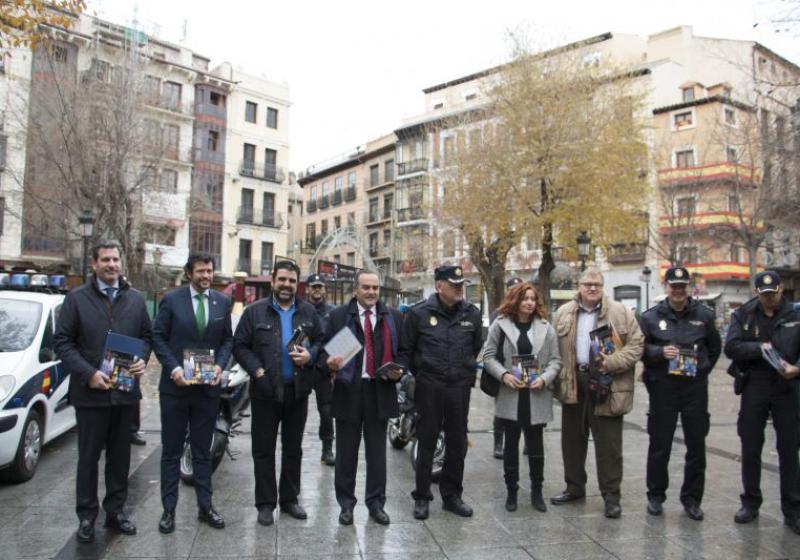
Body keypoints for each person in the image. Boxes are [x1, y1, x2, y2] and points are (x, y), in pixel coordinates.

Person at [54, 241, 152, 544]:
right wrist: (89, 374)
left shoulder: (135, 300)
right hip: (91, 396)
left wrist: (141, 360)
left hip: (124, 396)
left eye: (116, 259)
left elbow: (147, 337)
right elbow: (63, 343)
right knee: (88, 459)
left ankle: (115, 512)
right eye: (106, 260)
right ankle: (86, 516)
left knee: (120, 458)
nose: (112, 265)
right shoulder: (76, 299)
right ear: (95, 264)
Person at [233, 260, 324, 527]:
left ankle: (289, 499)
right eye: (282, 279)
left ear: (298, 284)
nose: (287, 285)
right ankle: (265, 503)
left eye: (292, 281)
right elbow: (240, 346)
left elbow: (321, 341)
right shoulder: (254, 312)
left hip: (297, 391)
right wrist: (257, 371)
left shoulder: (308, 312)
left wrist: (311, 355)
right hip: (265, 392)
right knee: (263, 449)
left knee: (293, 448)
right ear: (273, 281)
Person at [550, 268, 644, 519]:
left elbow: (637, 345)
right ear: (578, 287)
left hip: (607, 383)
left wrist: (612, 362)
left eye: (597, 284)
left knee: (609, 445)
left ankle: (612, 497)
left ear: (603, 287)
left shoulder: (621, 312)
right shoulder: (562, 313)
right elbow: (552, 349)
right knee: (571, 441)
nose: (592, 288)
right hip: (573, 381)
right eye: (587, 284)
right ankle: (574, 487)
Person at [151, 252, 234, 533]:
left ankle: (205, 507)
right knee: (172, 451)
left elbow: (227, 341)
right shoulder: (172, 300)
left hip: (207, 390)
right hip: (176, 389)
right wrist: (173, 368)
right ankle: (168, 510)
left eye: (210, 271)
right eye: (201, 271)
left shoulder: (222, 302)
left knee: (202, 451)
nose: (206, 276)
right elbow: (158, 337)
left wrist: (221, 366)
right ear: (189, 273)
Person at [398, 265, 483, 520]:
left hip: (459, 388)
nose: (459, 289)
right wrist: (424, 373)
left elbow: (475, 347)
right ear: (439, 286)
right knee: (427, 441)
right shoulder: (418, 314)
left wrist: (462, 370)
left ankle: (452, 496)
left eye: (461, 285)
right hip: (430, 387)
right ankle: (422, 496)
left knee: (457, 443)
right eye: (454, 284)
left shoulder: (472, 314)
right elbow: (407, 351)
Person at [322, 270, 404, 525]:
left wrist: (398, 370)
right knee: (346, 454)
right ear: (355, 289)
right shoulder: (338, 317)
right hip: (349, 390)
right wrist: (329, 364)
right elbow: (323, 352)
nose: (371, 292)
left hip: (380, 389)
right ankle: (346, 505)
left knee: (377, 455)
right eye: (366, 287)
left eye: (375, 288)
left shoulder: (393, 317)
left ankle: (376, 504)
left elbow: (404, 352)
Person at [640, 266, 721, 521]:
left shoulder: (705, 316)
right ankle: (655, 495)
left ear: (688, 288)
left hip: (694, 389)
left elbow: (715, 349)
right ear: (666, 287)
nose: (678, 291)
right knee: (659, 444)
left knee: (696, 446)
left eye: (682, 286)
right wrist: (659, 353)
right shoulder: (650, 317)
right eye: (674, 286)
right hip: (663, 387)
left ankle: (692, 499)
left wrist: (701, 369)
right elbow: (640, 349)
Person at [724, 270, 800, 533]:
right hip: (754, 383)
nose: (769, 299)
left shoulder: (795, 314)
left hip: (787, 386)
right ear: (757, 293)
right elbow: (731, 347)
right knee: (751, 445)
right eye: (764, 294)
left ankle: (793, 509)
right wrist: (759, 348)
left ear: (781, 290)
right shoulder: (744, 314)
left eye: (774, 293)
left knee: (789, 448)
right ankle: (750, 502)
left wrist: (796, 368)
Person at [483, 282, 562, 512]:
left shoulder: (547, 328)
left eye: (533, 299)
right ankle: (511, 492)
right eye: (525, 298)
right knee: (510, 446)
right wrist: (504, 374)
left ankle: (537, 492)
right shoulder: (500, 325)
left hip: (536, 394)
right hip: (511, 392)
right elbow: (488, 357)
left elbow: (556, 360)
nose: (529, 302)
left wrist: (545, 378)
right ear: (515, 300)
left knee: (536, 447)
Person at [488, 276, 524, 460]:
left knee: (527, 404)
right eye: (513, 289)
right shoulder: (498, 313)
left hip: (525, 364)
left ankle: (526, 442)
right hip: (504, 366)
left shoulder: (529, 310)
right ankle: (498, 444)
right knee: (503, 407)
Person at [305, 273, 336, 466]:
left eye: (320, 286)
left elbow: (342, 337)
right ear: (307, 289)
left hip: (323, 368)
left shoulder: (332, 312)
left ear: (324, 289)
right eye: (313, 286)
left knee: (326, 412)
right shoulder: (299, 309)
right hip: (302, 366)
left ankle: (327, 449)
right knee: (295, 410)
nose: (317, 290)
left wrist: (333, 364)